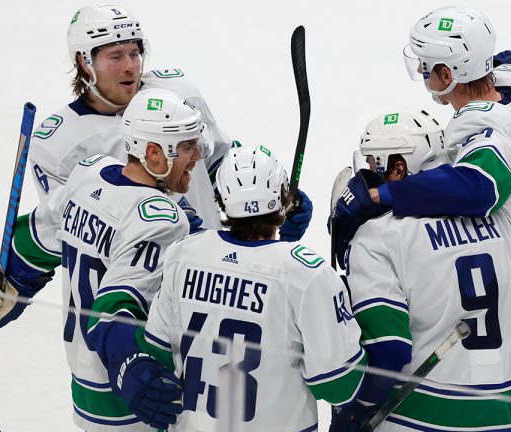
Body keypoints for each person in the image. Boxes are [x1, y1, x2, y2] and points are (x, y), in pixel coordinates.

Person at [330, 6, 511, 387]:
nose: (421, 74)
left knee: (504, 407)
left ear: (447, 74)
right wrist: (509, 71)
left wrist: (384, 193)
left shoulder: (480, 124)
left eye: (426, 67)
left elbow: (481, 185)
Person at [330, 111, 511, 432]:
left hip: (420, 422)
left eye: (374, 165)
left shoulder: (378, 236)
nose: (368, 176)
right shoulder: (505, 212)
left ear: (398, 168)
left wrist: (353, 410)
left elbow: (389, 350)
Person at [0, 89, 211, 431]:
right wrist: (132, 367)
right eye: (187, 147)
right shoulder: (161, 220)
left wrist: (10, 275)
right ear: (155, 153)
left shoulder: (91, 173)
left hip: (85, 382)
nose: (198, 155)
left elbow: (39, 236)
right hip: (136, 392)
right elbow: (115, 305)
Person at [132, 145, 366, 431]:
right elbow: (338, 387)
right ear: (283, 197)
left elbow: (158, 354)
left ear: (221, 199)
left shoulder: (182, 254)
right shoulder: (308, 274)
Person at [30, 3, 312, 239]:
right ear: (84, 62)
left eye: (134, 52)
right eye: (115, 56)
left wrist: (264, 200)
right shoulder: (57, 144)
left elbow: (218, 164)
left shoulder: (180, 95)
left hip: (204, 279)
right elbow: (67, 229)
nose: (130, 65)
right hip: (132, 287)